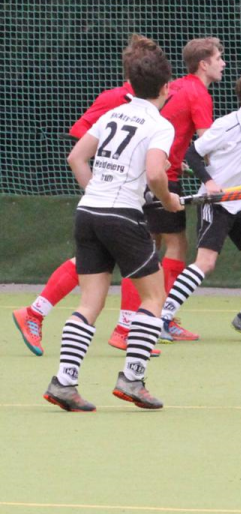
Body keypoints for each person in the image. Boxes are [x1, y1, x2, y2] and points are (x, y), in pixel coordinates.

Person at [43, 46, 183, 411]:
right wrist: (167, 201)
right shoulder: (160, 125)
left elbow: (76, 157)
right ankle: (133, 380)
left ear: (132, 85)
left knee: (90, 302)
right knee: (154, 298)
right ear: (166, 87)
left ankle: (64, 383)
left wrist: (98, 193)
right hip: (122, 216)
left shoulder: (114, 113)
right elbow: (155, 173)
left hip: (88, 212)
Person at [11, 35, 162, 358]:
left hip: (131, 192)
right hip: (112, 196)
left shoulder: (150, 101)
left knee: (122, 258)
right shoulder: (115, 100)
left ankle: (45, 314)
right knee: (131, 258)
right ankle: (122, 328)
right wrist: (100, 183)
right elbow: (81, 136)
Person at [159, 70, 241, 341]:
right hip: (214, 202)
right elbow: (192, 153)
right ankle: (162, 317)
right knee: (205, 263)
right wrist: (210, 181)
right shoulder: (225, 125)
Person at [146, 36, 225, 343]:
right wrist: (214, 177)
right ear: (204, 64)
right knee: (176, 246)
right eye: (218, 58)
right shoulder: (200, 94)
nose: (223, 63)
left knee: (145, 245)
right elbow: (209, 146)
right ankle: (162, 318)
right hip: (164, 176)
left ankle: (140, 316)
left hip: (143, 173)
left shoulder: (173, 86)